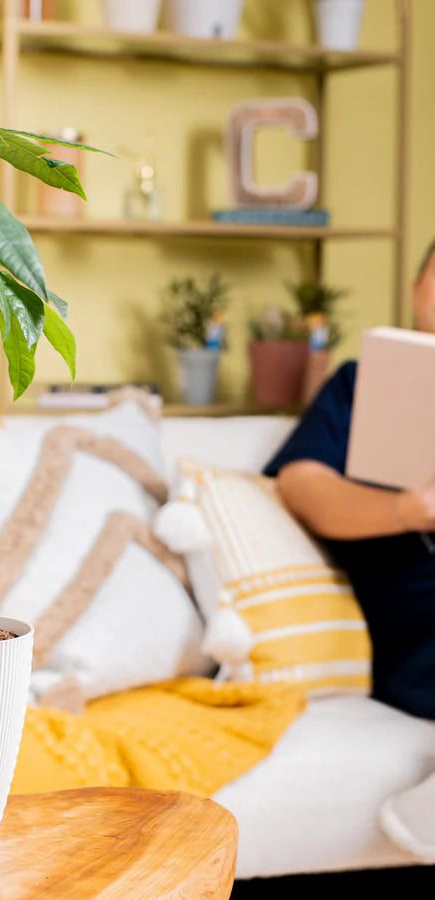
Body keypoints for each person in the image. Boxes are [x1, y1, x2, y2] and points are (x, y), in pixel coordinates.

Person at [263, 240, 435, 860]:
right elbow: (302, 484)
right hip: (417, 633)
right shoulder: (360, 387)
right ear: (418, 288)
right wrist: (408, 509)